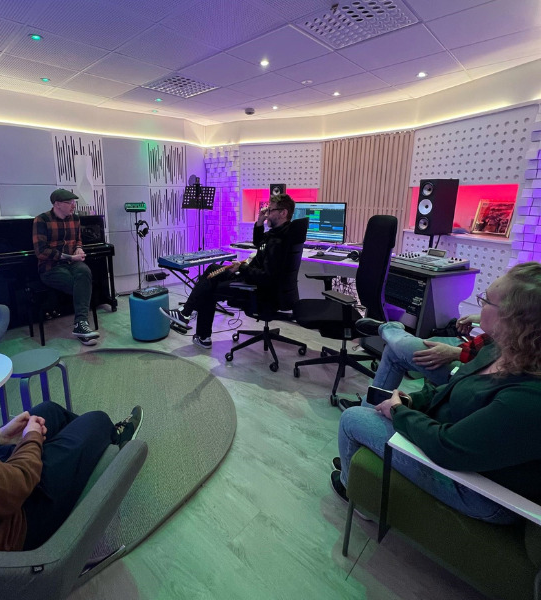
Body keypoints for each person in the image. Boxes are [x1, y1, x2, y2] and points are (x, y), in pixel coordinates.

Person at [332, 263, 541, 523]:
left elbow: (448, 448)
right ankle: (362, 467)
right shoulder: (499, 348)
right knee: (378, 396)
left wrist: (400, 412)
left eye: (485, 300)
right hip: (455, 443)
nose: (480, 307)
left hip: (481, 491)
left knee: (352, 419)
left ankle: (353, 491)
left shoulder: (528, 398)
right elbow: (454, 388)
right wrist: (412, 400)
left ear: (513, 319)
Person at [0, 401, 143, 551]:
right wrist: (31, 439)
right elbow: (17, 483)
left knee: (48, 412)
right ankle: (105, 439)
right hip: (13, 523)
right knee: (97, 420)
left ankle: (93, 453)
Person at [164, 192, 299, 349]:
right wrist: (260, 222)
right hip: (254, 279)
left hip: (258, 290)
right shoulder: (281, 233)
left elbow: (266, 277)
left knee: (209, 290)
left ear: (283, 213)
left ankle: (199, 332)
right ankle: (185, 313)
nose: (267, 214)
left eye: (271, 211)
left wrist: (242, 267)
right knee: (213, 269)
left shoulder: (279, 241)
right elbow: (260, 244)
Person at [337, 314, 483, 410]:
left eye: (487, 301)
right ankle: (369, 405)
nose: (482, 306)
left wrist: (455, 353)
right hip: (467, 358)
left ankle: (388, 328)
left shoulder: (504, 344)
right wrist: (481, 319)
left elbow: (489, 358)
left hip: (468, 377)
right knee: (393, 351)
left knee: (400, 347)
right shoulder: (501, 329)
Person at [34, 189, 99, 345]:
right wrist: (70, 257)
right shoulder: (41, 220)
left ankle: (80, 324)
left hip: (72, 263)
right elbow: (41, 251)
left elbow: (78, 240)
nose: (73, 206)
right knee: (81, 285)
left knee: (85, 271)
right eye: (69, 203)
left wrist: (79, 248)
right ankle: (82, 327)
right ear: (57, 204)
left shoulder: (75, 219)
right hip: (50, 267)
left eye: (73, 203)